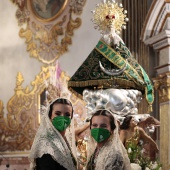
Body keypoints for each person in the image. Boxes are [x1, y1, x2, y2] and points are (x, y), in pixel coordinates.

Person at [29, 98, 77, 170]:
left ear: (71, 118)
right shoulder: (45, 143)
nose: (62, 117)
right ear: (50, 116)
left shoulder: (65, 139)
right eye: (58, 114)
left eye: (67, 114)